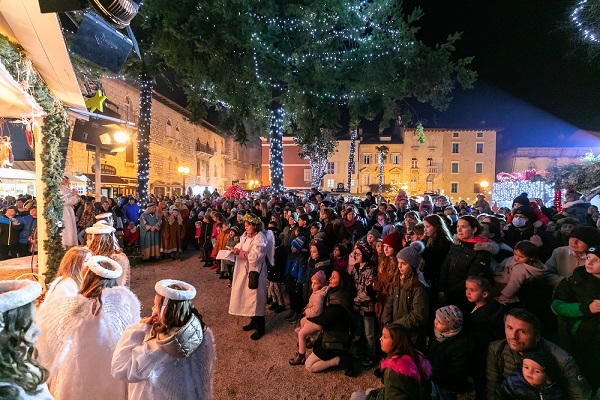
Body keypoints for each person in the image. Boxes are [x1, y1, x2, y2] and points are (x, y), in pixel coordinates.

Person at [37, 255, 141, 400]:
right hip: (108, 361)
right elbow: (128, 331)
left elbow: (63, 330)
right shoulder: (120, 303)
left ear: (88, 278)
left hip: (78, 360)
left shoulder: (77, 305)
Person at [111, 279, 216, 399]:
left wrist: (138, 329)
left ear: (164, 311)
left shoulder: (154, 348)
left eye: (155, 305)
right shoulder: (202, 334)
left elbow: (119, 369)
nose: (152, 309)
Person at [486, 308, 595, 400]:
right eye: (509, 328)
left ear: (537, 336)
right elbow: (493, 387)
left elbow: (581, 395)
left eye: (522, 331)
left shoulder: (561, 359)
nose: (513, 336)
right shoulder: (497, 349)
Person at [552, 244, 600, 391]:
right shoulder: (573, 280)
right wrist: (586, 309)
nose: (589, 263)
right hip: (578, 338)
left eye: (596, 260)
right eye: (588, 258)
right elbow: (557, 306)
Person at [0, 280, 52, 399]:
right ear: (4, 334)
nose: (38, 331)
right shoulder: (11, 392)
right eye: (29, 325)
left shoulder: (22, 365)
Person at [350, 324, 432, 400]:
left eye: (385, 337)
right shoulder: (416, 358)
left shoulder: (393, 371)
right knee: (369, 391)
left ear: (396, 342)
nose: (380, 338)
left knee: (355, 396)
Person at [438, 215, 496, 313]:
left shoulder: (481, 250)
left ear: (474, 229)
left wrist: (447, 294)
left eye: (464, 227)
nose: (459, 230)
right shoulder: (456, 245)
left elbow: (472, 278)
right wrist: (441, 289)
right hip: (446, 291)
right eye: (457, 226)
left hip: (464, 296)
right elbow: (445, 267)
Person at [304, 270, 355, 374]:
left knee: (309, 366)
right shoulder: (335, 293)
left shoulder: (338, 300)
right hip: (331, 332)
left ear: (341, 282)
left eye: (333, 277)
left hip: (335, 339)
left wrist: (307, 315)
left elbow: (324, 320)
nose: (330, 279)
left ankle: (340, 360)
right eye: (330, 276)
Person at [229, 213, 269, 340]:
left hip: (254, 272)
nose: (245, 227)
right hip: (244, 271)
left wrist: (240, 253)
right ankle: (253, 321)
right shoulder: (245, 236)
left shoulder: (260, 239)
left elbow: (255, 257)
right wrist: (233, 250)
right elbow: (240, 246)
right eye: (245, 225)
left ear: (255, 226)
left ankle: (260, 327)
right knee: (247, 296)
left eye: (248, 225)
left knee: (256, 297)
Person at [382, 241, 429, 349]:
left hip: (411, 336)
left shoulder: (418, 286)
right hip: (397, 331)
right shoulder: (398, 279)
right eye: (399, 262)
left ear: (412, 265)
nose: (399, 266)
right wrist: (387, 320)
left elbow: (418, 315)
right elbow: (390, 300)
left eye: (404, 263)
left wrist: (396, 325)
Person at [465, 276, 505, 400]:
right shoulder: (491, 307)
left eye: (472, 290)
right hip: (485, 353)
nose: (468, 292)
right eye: (466, 288)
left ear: (485, 294)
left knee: (481, 382)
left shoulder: (481, 317)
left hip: (482, 355)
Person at [428, 305, 472, 399]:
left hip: (447, 385)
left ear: (450, 327)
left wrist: (435, 375)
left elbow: (458, 371)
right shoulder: (439, 333)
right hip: (434, 377)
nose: (436, 322)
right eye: (436, 318)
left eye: (440, 322)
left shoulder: (459, 345)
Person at [289, 270, 328, 366]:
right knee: (302, 321)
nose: (313, 285)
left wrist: (306, 311)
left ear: (321, 285)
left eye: (316, 283)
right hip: (311, 319)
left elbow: (316, 311)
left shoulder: (319, 296)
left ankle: (301, 356)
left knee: (301, 333)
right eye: (312, 283)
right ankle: (308, 340)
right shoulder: (316, 293)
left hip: (315, 322)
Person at [494, 347, 564, 400]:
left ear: (548, 379)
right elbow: (499, 394)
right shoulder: (513, 383)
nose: (529, 372)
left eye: (537, 371)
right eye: (526, 367)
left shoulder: (554, 391)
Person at [493, 240, 549, 304]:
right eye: (515, 254)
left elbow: (514, 284)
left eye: (521, 257)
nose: (517, 258)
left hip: (505, 283)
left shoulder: (519, 269)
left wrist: (505, 295)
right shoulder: (536, 264)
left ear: (531, 258)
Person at [86, 221, 131, 287]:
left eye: (89, 239)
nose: (87, 242)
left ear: (98, 241)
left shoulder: (117, 259)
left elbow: (120, 283)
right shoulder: (89, 256)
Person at [60, 176, 79, 249]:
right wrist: (75, 195)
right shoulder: (62, 189)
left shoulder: (65, 189)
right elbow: (67, 201)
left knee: (69, 229)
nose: (68, 182)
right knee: (67, 230)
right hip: (65, 212)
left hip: (67, 211)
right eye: (67, 180)